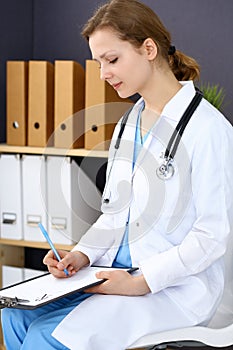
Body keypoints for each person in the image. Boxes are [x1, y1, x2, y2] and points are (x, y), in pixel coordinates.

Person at [2, 0, 233, 349]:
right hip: (109, 274)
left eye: (112, 60)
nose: (103, 74)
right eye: (98, 63)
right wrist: (81, 255)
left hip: (171, 290)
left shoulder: (208, 130)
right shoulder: (128, 124)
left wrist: (142, 282)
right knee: (14, 314)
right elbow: (115, 214)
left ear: (149, 49)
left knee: (45, 337)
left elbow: (212, 236)